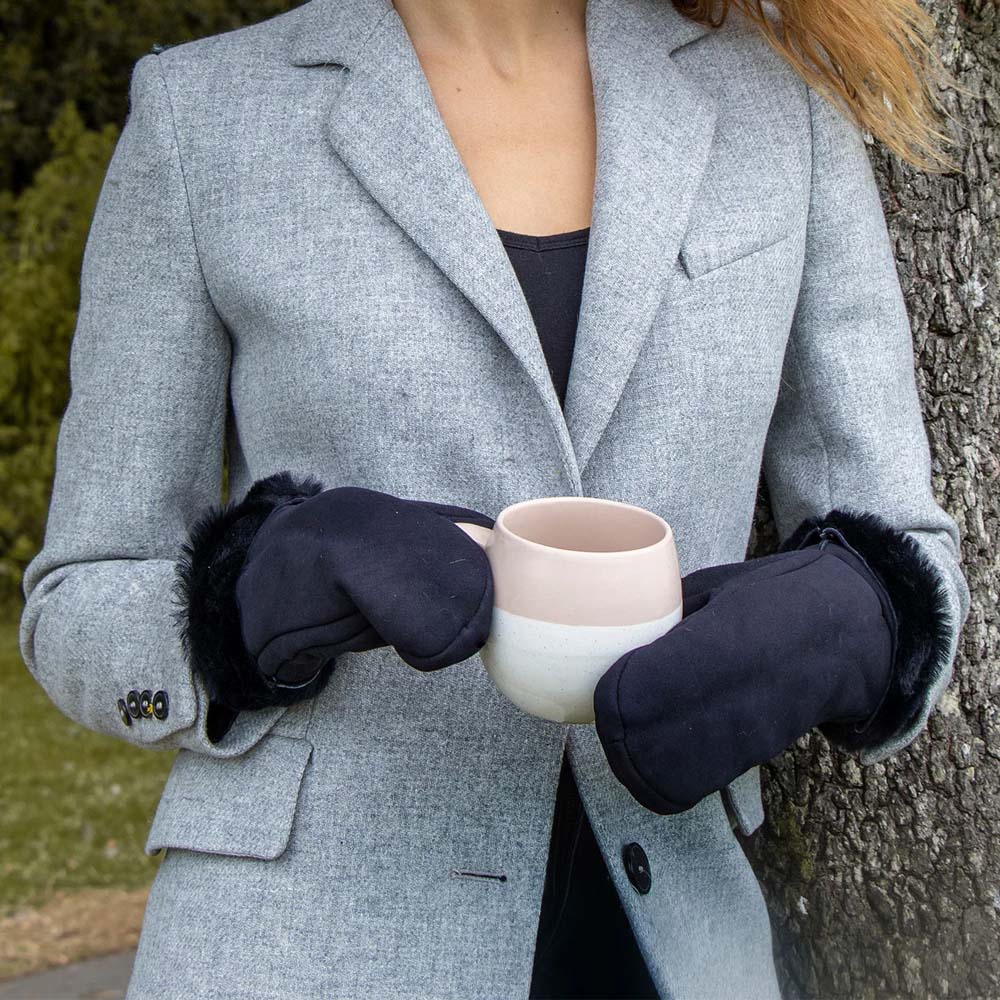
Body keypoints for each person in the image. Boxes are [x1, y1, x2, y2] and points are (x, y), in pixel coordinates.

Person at [18, 0, 972, 996]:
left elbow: (901, 541)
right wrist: (248, 599)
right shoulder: (203, 112)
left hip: (680, 943)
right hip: (296, 948)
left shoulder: (783, 101)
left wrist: (854, 620)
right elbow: (77, 600)